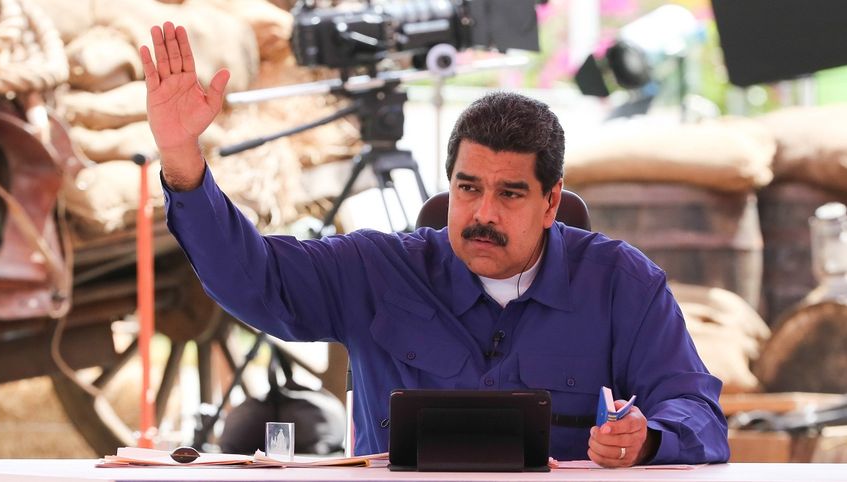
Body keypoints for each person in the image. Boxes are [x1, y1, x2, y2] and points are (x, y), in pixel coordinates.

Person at [140, 21, 729, 467]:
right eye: (468, 188)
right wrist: (181, 156)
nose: (483, 213)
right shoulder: (377, 270)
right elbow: (254, 278)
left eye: (511, 194)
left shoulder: (621, 283)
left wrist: (647, 439)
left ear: (552, 203)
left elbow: (698, 411)